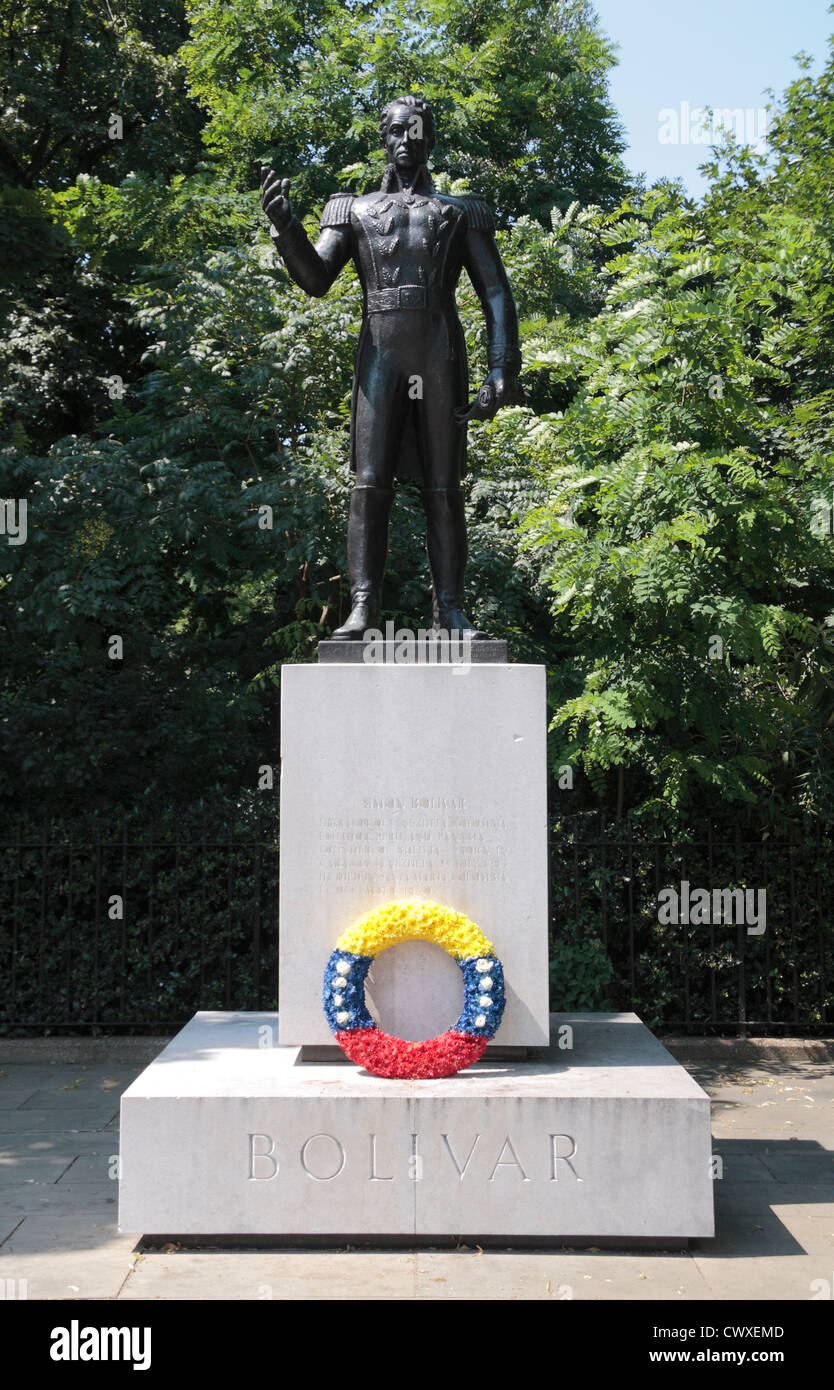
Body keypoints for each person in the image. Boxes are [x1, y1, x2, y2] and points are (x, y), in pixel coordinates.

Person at [261, 94, 522, 640]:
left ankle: (450, 610)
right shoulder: (351, 211)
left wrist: (501, 368)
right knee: (369, 482)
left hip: (438, 349)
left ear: (429, 138)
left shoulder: (459, 211)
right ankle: (362, 607)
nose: (407, 140)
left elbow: (495, 292)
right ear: (384, 138)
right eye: (397, 131)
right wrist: (286, 229)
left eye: (417, 131)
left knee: (444, 486)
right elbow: (315, 279)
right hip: (380, 353)